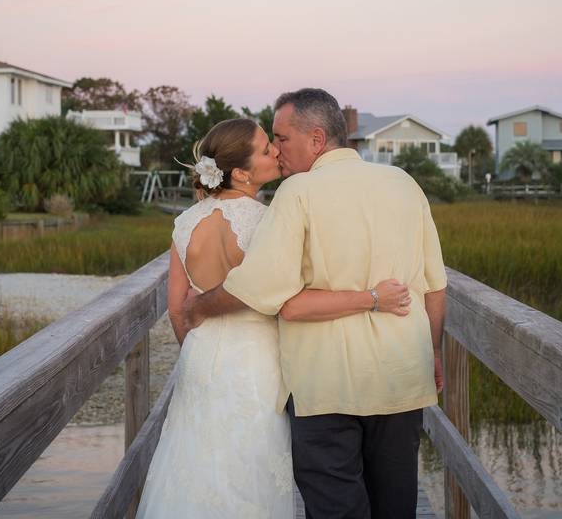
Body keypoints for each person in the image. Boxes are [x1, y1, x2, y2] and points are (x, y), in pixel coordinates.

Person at [181, 90, 448, 519]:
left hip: (327, 387)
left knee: (336, 510)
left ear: (317, 139)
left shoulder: (298, 191)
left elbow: (262, 284)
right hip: (401, 377)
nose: (278, 150)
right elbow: (435, 286)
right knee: (396, 506)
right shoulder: (405, 184)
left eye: (283, 139)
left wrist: (199, 308)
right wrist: (433, 352)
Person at [136, 117, 412, 519]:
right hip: (259, 361)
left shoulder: (184, 224)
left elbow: (179, 308)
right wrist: (371, 297)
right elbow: (286, 295)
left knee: (196, 463)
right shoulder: (267, 222)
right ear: (243, 172)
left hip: (202, 359)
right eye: (267, 149)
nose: (277, 152)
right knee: (254, 471)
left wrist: (202, 348)